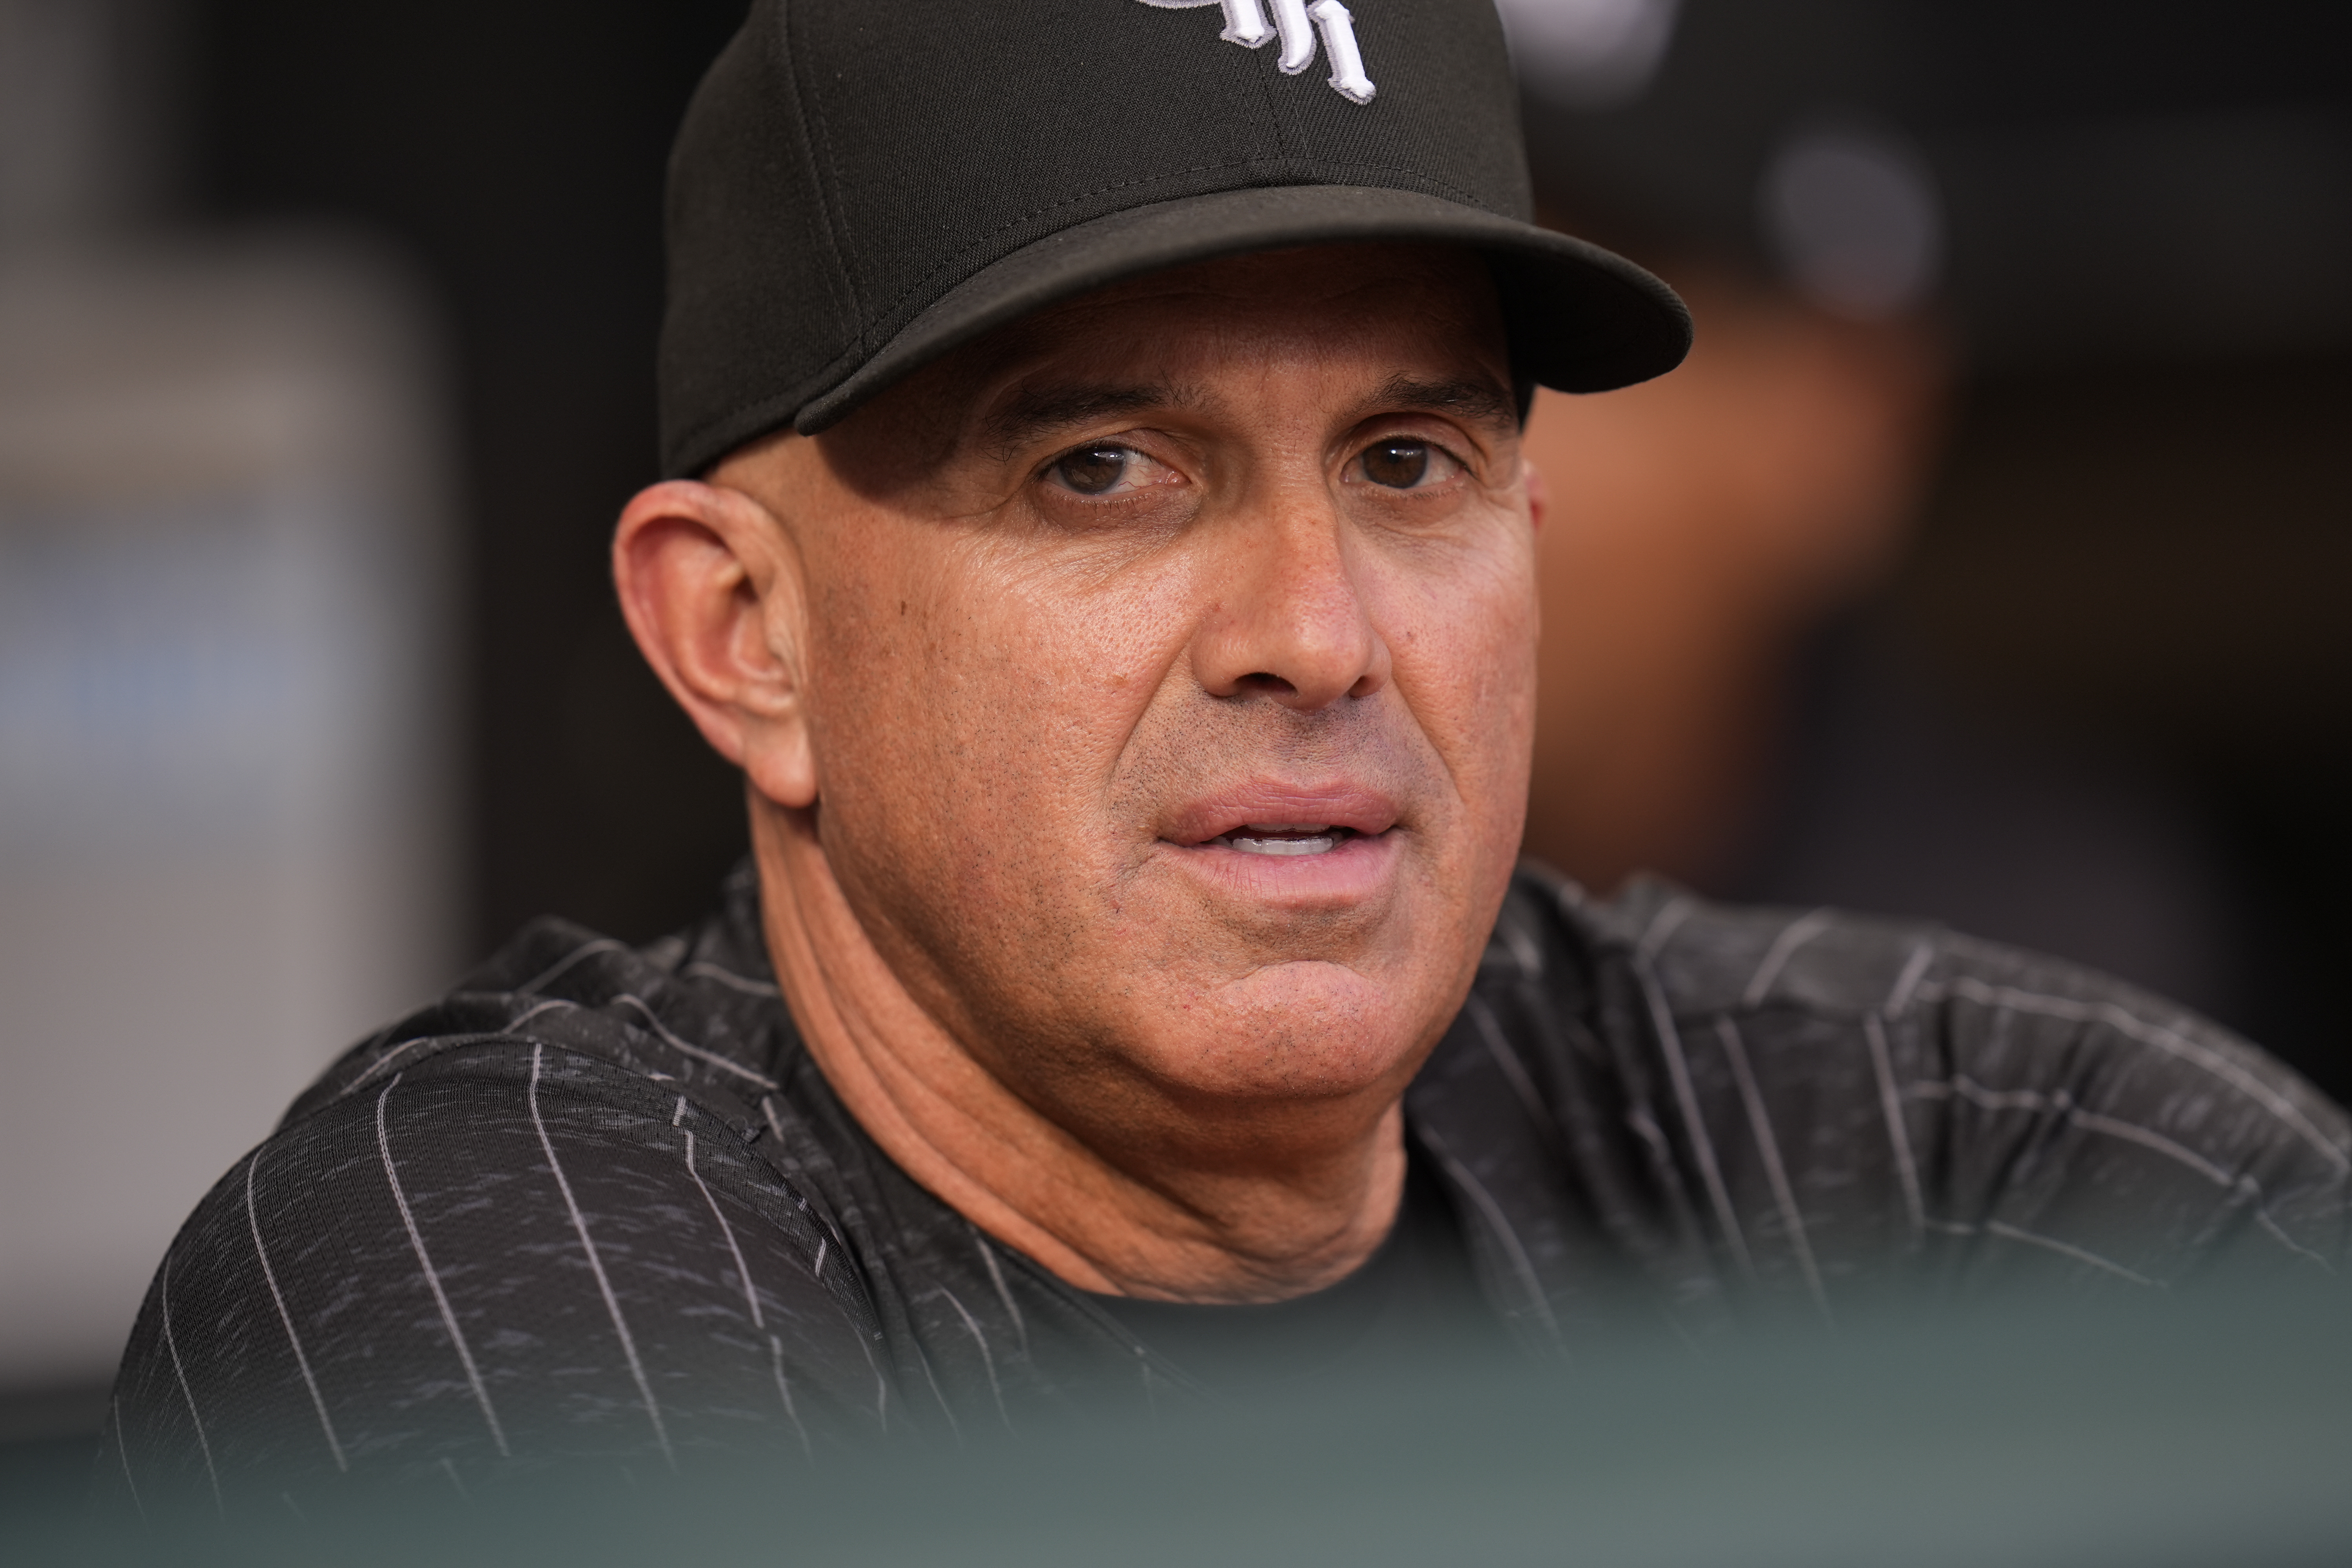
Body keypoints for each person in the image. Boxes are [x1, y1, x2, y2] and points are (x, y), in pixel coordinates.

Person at [101, 0, 2348, 1521]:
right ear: (743, 632)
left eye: (1404, 460)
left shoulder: (1915, 1142)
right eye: (1105, 470)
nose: (1314, 633)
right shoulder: (475, 1254)